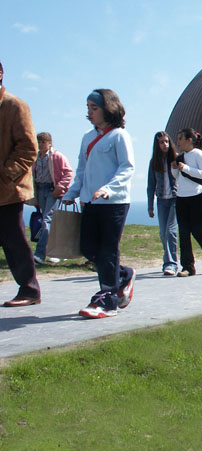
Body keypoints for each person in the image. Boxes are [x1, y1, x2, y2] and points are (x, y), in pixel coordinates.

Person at [62, 89, 136, 319]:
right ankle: (123, 275)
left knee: (107, 250)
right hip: (89, 202)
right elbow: (82, 171)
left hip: (113, 202)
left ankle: (108, 300)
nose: (90, 112)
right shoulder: (87, 137)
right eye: (88, 108)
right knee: (89, 249)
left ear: (108, 109)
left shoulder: (119, 136)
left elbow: (127, 167)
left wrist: (108, 188)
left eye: (94, 108)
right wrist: (73, 192)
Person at [0, 60, 42, 307]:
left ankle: (30, 289)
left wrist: (7, 174)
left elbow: (28, 148)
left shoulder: (15, 106)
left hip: (8, 189)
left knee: (13, 239)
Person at [172, 128, 202, 277]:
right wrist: (174, 169)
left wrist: (186, 168)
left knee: (197, 229)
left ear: (189, 140)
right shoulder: (180, 157)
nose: (178, 142)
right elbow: (177, 177)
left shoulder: (199, 154)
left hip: (197, 195)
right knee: (183, 232)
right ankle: (188, 267)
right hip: (181, 196)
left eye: (180, 138)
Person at [31, 132, 74, 264]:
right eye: (39, 142)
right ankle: (59, 252)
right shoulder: (36, 157)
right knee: (50, 222)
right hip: (40, 190)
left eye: (43, 142)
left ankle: (40, 254)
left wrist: (59, 188)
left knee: (47, 221)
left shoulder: (57, 156)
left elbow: (69, 172)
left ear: (50, 143)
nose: (41, 144)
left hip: (52, 190)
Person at [147, 131, 178, 276]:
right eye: (161, 142)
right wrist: (150, 205)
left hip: (174, 199)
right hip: (161, 200)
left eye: (166, 141)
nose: (164, 145)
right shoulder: (154, 162)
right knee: (163, 233)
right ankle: (167, 262)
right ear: (157, 145)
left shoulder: (176, 159)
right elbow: (151, 185)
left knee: (170, 231)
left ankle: (172, 264)